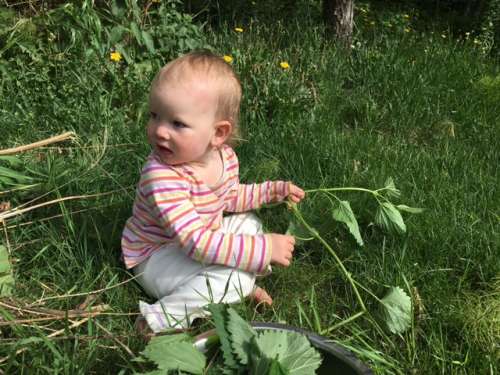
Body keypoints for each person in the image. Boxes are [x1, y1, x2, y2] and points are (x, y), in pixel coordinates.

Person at [121, 50, 305, 334]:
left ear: (218, 134)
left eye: (177, 123)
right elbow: (195, 242)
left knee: (250, 222)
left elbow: (230, 197)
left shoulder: (225, 158)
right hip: (157, 256)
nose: (159, 131)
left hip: (196, 242)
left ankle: (235, 280)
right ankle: (158, 318)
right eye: (155, 116)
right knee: (237, 278)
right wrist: (263, 249)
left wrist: (272, 191)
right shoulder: (162, 175)